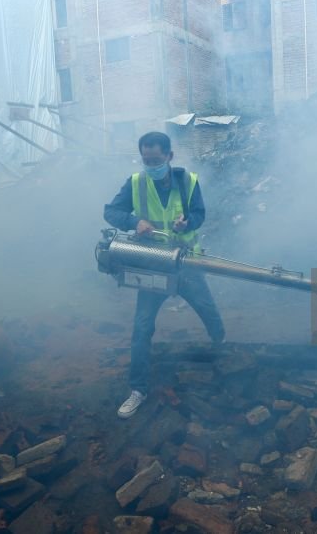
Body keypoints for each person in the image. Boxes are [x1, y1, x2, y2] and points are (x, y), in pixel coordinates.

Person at [103, 132, 226, 419]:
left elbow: (199, 214)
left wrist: (187, 222)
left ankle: (223, 352)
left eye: (156, 160)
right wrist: (135, 221)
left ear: (170, 156)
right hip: (154, 264)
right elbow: (111, 212)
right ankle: (138, 390)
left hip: (187, 263)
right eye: (147, 160)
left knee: (208, 311)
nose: (151, 165)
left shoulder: (188, 182)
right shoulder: (135, 183)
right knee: (142, 326)